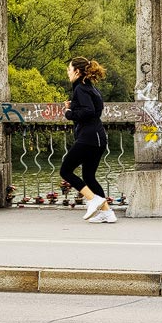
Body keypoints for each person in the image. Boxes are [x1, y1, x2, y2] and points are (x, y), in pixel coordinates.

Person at [61, 56, 116, 224]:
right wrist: (74, 107)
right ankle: (107, 213)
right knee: (89, 176)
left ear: (77, 71)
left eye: (69, 70)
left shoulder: (80, 89)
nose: (68, 73)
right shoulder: (90, 88)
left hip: (89, 138)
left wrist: (69, 113)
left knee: (65, 170)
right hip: (97, 138)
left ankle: (94, 200)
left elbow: (88, 111)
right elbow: (93, 109)